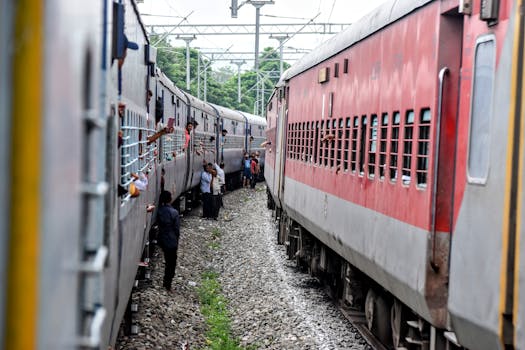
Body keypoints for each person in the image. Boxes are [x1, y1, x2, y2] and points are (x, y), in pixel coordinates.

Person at [156, 190, 180, 292]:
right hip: (171, 240)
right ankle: (167, 284)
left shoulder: (160, 210)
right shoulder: (174, 212)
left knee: (168, 261)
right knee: (171, 263)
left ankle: (166, 283)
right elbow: (176, 229)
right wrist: (176, 240)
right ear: (170, 199)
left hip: (162, 238)